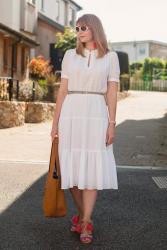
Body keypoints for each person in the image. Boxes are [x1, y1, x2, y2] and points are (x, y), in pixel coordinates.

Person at [50, 13, 120, 244]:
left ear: (95, 30)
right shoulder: (70, 55)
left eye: (83, 27)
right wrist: (55, 122)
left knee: (91, 170)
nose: (79, 31)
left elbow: (111, 92)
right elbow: (62, 90)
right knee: (71, 171)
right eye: (77, 27)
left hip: (96, 114)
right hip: (71, 113)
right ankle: (82, 216)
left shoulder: (111, 57)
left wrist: (111, 123)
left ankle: (86, 221)